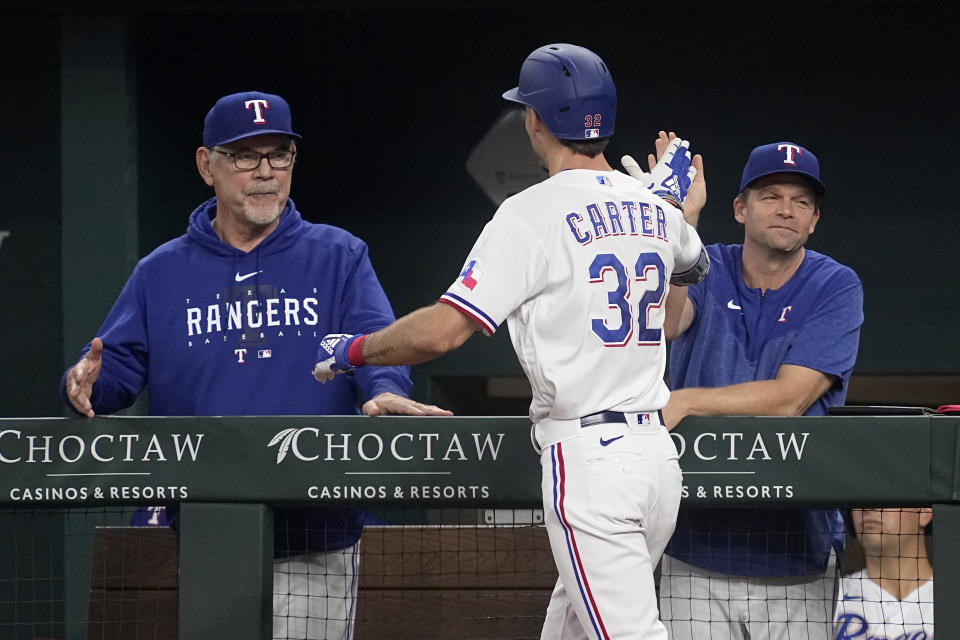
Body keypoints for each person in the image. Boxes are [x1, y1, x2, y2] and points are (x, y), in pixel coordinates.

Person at [313, 43, 710, 640]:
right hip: (656, 465)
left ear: (534, 119)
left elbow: (446, 330)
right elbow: (681, 297)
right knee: (569, 629)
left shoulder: (529, 213)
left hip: (592, 462)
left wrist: (355, 351)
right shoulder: (654, 208)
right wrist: (674, 208)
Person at [60, 90, 449, 640]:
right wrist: (86, 382)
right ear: (207, 165)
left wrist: (382, 387)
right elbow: (114, 369)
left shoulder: (338, 255)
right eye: (245, 156)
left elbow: (376, 345)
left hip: (315, 533)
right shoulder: (161, 272)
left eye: (279, 155)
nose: (265, 172)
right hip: (202, 534)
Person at [657, 142, 865, 640]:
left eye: (800, 201)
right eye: (771, 195)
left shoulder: (835, 285)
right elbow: (665, 323)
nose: (786, 210)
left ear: (813, 220)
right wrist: (680, 225)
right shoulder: (702, 266)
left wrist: (687, 400)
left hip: (797, 550)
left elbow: (790, 399)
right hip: (693, 544)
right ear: (740, 209)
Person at [834, 508, 934, 639]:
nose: (868, 507)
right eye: (861, 495)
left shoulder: (952, 600)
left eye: (886, 492)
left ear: (924, 512)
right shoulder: (831, 597)